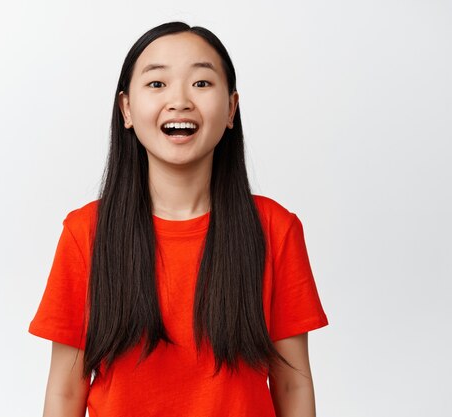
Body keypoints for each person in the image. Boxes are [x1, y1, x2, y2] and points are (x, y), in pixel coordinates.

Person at [28, 21, 329, 417]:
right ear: (127, 109)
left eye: (202, 83)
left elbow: (292, 382)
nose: (180, 101)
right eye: (157, 84)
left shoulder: (275, 229)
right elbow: (66, 390)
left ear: (231, 109)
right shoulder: (86, 233)